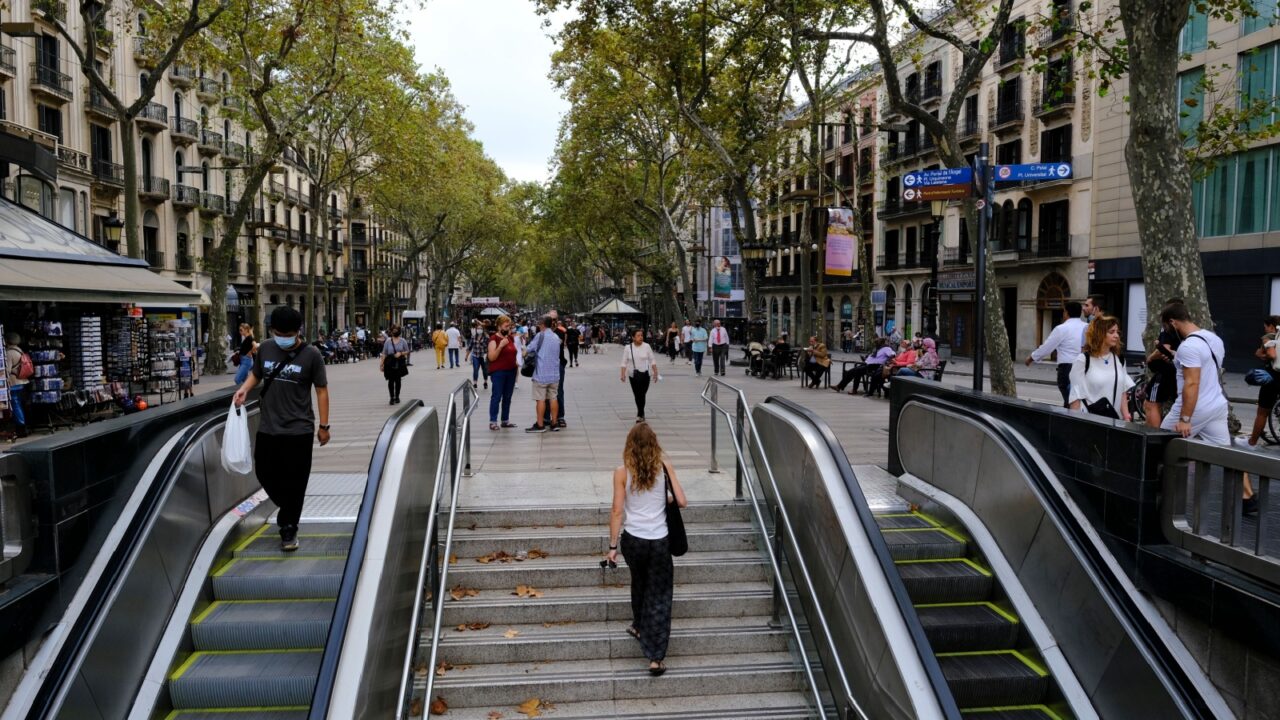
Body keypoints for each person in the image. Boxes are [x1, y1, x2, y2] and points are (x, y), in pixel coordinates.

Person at [232, 306, 330, 552]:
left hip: (300, 429)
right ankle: (289, 507)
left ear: (298, 331)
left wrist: (324, 426)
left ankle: (288, 528)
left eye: (287, 333)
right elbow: (256, 373)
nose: (282, 336)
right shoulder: (265, 347)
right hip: (269, 426)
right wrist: (244, 388)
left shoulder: (312, 355)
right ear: (272, 330)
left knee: (297, 480)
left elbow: (321, 390)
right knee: (264, 471)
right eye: (278, 332)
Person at [605, 422, 688, 677]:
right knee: (660, 595)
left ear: (629, 445)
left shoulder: (621, 472)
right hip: (659, 539)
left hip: (633, 540)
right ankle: (655, 657)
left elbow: (618, 511)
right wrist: (668, 497)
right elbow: (682, 501)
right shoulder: (664, 468)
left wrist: (612, 547)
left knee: (639, 582)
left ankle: (639, 625)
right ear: (655, 444)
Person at [1159, 302, 1248, 510]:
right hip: (1216, 405)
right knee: (1227, 456)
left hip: (1193, 409)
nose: (1166, 332)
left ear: (1173, 322)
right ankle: (1246, 497)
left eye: (1166, 327)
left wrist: (1185, 419)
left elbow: (1192, 382)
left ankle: (1163, 499)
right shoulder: (1213, 339)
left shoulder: (1188, 346)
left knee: (1159, 447)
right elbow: (1205, 368)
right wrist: (1176, 358)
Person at [1068, 315, 1133, 421]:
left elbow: (1123, 391)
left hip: (1114, 421)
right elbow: (1075, 395)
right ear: (1100, 334)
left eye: (1117, 332)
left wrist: (1126, 417)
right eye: (1111, 332)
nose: (1116, 335)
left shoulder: (1119, 359)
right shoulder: (1083, 360)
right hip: (1090, 421)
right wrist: (1076, 423)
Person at [1025, 301, 1088, 407]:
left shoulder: (1061, 329)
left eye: (1064, 311)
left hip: (1067, 369)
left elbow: (1047, 347)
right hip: (1084, 367)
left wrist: (1031, 358)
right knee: (1081, 401)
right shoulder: (1087, 327)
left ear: (1066, 313)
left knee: (1070, 401)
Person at [1142, 304, 1183, 429]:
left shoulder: (1168, 329)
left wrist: (1150, 358)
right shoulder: (1185, 331)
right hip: (1179, 372)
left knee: (1151, 403)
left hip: (1165, 371)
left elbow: (1164, 348)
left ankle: (1153, 434)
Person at [1246, 315, 1280, 448]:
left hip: (1274, 377)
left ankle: (1252, 442)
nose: (1265, 329)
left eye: (1265, 327)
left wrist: (1265, 355)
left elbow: (1271, 355)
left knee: (1262, 412)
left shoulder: (1270, 337)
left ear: (1271, 326)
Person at [525, 315, 562, 433]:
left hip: (541, 374)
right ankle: (554, 423)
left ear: (542, 324)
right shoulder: (556, 337)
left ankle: (540, 425)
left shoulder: (540, 336)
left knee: (540, 399)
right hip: (554, 374)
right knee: (553, 398)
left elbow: (530, 348)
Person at [621, 328, 660, 423]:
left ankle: (640, 413)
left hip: (645, 374)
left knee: (642, 394)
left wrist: (655, 372)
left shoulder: (647, 346)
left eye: (641, 335)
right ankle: (640, 414)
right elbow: (624, 362)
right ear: (633, 337)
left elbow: (652, 360)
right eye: (638, 335)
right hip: (633, 375)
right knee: (637, 395)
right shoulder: (628, 348)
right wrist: (622, 374)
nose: (641, 337)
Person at [486, 316, 519, 431]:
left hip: (511, 371)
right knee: (497, 396)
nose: (508, 328)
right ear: (499, 326)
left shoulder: (510, 338)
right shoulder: (493, 339)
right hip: (499, 372)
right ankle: (493, 421)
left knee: (508, 397)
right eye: (506, 326)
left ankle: (505, 420)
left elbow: (513, 353)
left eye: (509, 326)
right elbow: (491, 357)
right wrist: (500, 346)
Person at [541, 311, 569, 429]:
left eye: (554, 319)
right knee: (545, 391)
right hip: (545, 365)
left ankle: (560, 417)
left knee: (559, 391)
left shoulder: (560, 332)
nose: (552, 321)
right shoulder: (541, 333)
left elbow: (557, 345)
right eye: (550, 319)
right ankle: (546, 417)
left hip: (558, 365)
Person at [4, 332, 28, 438]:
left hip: (14, 382)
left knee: (15, 404)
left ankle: (21, 427)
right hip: (21, 381)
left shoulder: (9, 353)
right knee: (18, 403)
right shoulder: (19, 350)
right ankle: (22, 426)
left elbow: (7, 370)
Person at [380, 325, 410, 405]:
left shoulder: (403, 341)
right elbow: (384, 353)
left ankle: (397, 396)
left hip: (399, 363)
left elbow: (407, 351)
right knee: (390, 380)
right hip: (389, 363)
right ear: (391, 331)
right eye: (393, 330)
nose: (395, 331)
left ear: (399, 331)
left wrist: (401, 353)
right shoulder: (388, 341)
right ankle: (391, 397)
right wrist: (381, 364)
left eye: (396, 330)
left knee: (398, 380)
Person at [466, 320, 490, 391]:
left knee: (484, 370)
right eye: (478, 328)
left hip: (483, 356)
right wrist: (466, 356)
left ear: (483, 330)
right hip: (475, 355)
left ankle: (485, 382)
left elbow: (489, 347)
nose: (479, 330)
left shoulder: (486, 337)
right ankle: (475, 383)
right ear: (476, 330)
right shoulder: (473, 337)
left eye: (481, 329)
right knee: (475, 369)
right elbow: (470, 347)